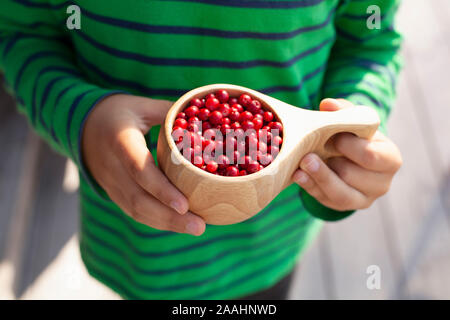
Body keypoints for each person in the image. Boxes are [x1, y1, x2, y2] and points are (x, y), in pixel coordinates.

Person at [0, 0, 402, 299]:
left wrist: (346, 142)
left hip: (269, 247)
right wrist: (82, 122)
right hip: (139, 253)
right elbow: (22, 34)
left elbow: (368, 37)